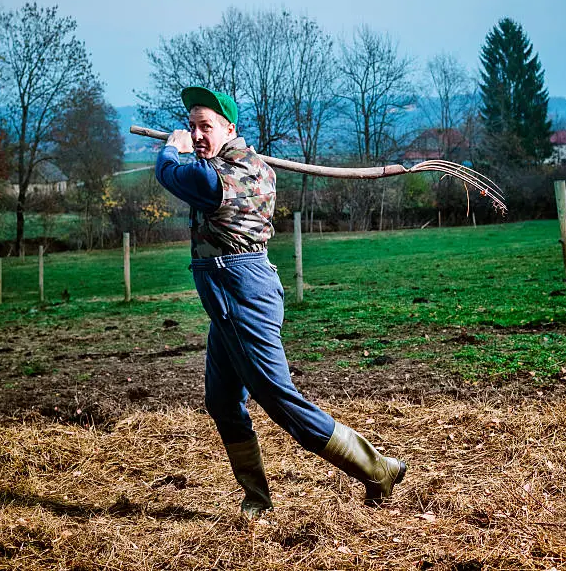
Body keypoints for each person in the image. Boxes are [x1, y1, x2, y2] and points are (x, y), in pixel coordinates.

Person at [155, 86, 406, 518]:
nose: (196, 134)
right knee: (221, 398)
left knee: (278, 398)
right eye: (192, 126)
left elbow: (177, 177)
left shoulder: (225, 175)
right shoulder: (248, 163)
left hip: (240, 292)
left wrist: (170, 149)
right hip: (231, 295)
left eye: (206, 126)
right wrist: (197, 148)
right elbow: (201, 167)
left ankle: (376, 468)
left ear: (230, 128)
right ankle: (256, 497)